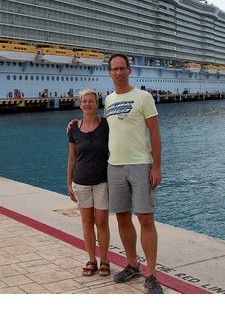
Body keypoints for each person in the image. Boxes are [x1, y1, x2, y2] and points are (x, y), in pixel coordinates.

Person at [104, 53, 163, 294]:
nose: (118, 72)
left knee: (146, 219)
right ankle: (132, 264)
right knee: (121, 217)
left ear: (129, 70)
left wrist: (156, 167)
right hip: (114, 165)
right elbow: (111, 130)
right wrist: (77, 124)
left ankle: (151, 273)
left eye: (122, 68)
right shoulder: (107, 100)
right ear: (109, 72)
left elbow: (155, 135)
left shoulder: (143, 97)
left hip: (140, 164)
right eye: (114, 69)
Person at [67, 89, 111, 277]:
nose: (87, 104)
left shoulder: (106, 125)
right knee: (86, 222)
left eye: (91, 101)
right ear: (80, 104)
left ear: (97, 104)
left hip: (102, 180)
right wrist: (69, 182)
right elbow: (72, 157)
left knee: (101, 222)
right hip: (81, 181)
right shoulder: (74, 128)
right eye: (84, 101)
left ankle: (105, 260)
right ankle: (91, 259)